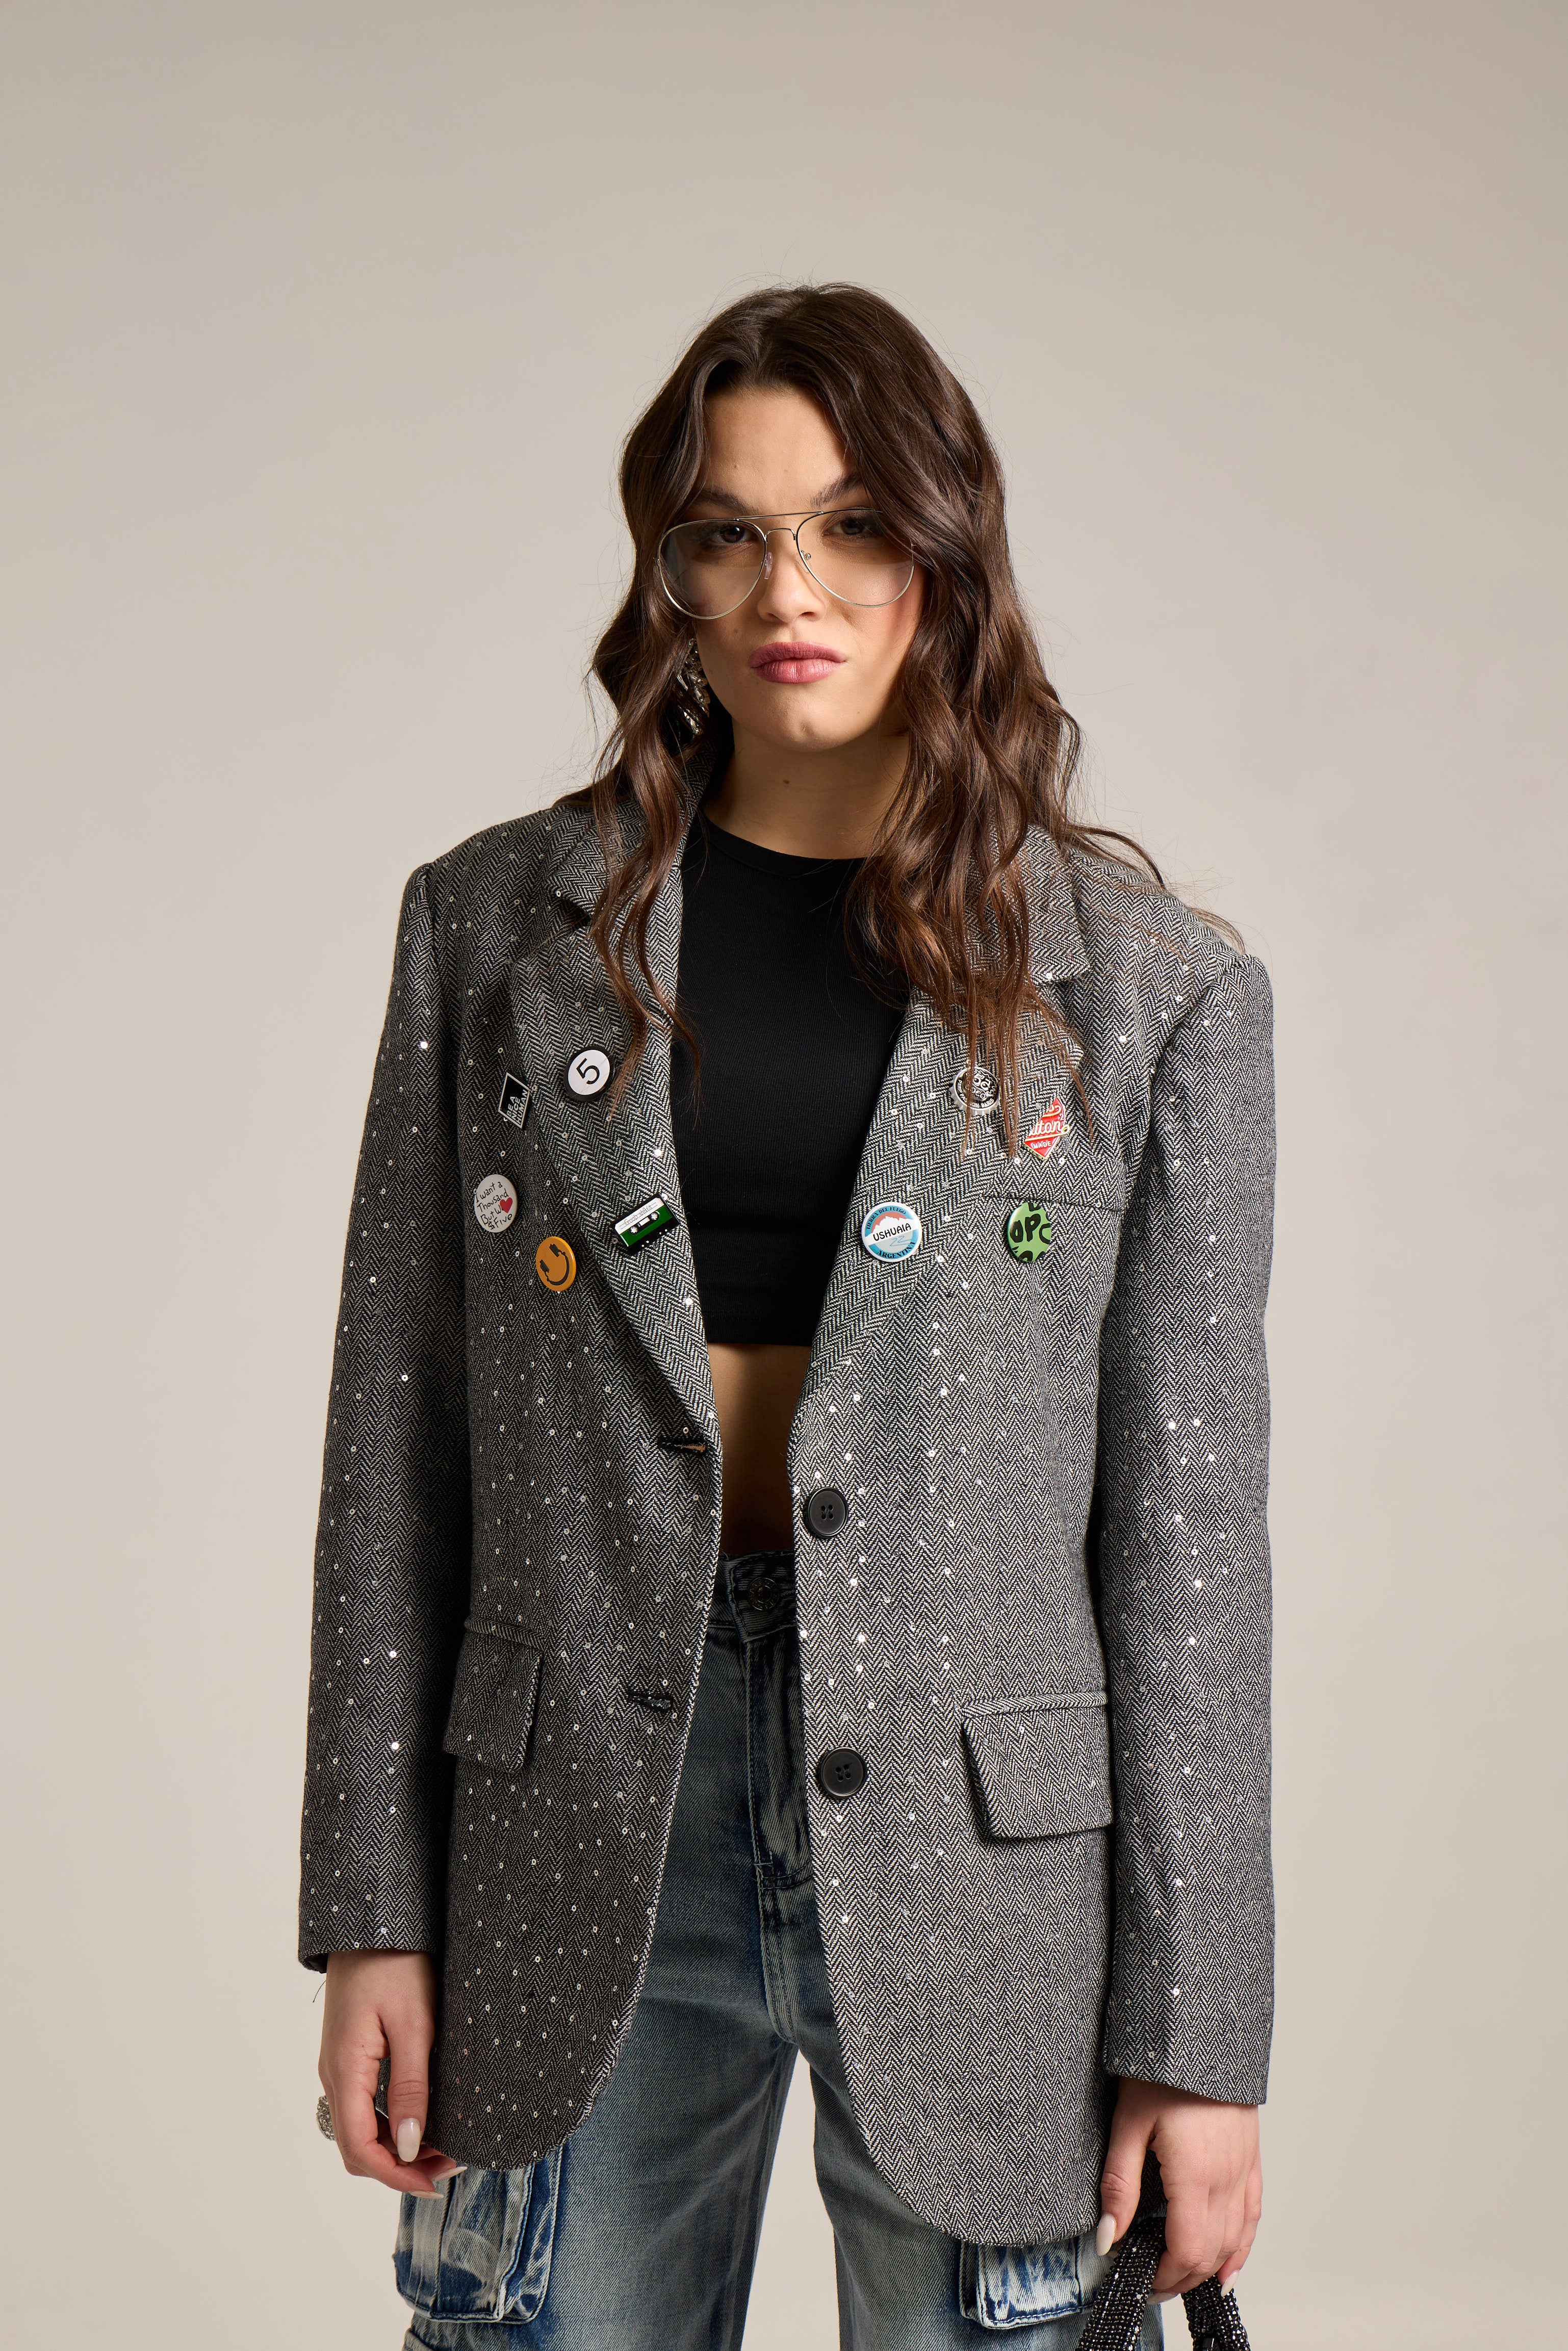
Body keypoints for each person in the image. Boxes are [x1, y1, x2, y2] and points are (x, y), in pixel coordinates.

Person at [300, 282, 1276, 2350]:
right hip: (578, 1827)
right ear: (667, 568)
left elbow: (1188, 1550)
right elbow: (398, 1437)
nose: (786, 589)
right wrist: (371, 1910)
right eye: (726, 534)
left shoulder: (1150, 988)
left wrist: (1200, 2035)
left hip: (985, 1865)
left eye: (848, 527)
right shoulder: (488, 930)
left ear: (945, 553)